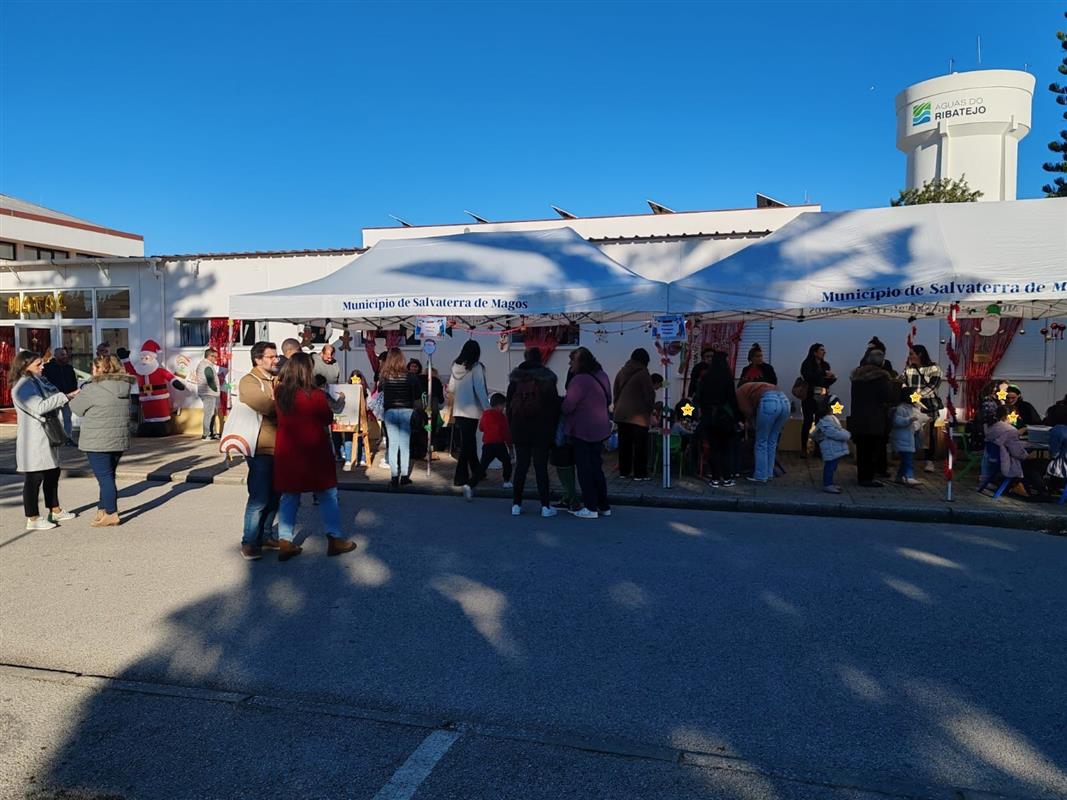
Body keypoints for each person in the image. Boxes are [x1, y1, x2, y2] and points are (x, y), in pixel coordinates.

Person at [272, 352, 357, 561]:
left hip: (288, 449)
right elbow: (327, 417)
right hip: (314, 449)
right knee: (327, 494)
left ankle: (285, 540)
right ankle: (334, 538)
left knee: (289, 495)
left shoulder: (280, 392)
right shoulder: (316, 395)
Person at [10, 350, 79, 531]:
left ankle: (55, 510)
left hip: (46, 435)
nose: (42, 367)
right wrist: (65, 396)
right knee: (34, 478)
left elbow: (51, 394)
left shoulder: (37, 380)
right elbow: (39, 406)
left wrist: (64, 394)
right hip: (34, 439)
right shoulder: (22, 386)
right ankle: (32, 518)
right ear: (25, 366)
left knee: (52, 473)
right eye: (38, 364)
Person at [68, 356, 134, 526]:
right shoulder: (124, 386)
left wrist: (78, 394)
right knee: (108, 476)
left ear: (100, 369)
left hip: (98, 440)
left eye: (94, 367)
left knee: (104, 478)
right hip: (118, 439)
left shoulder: (93, 388)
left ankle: (111, 513)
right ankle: (102, 509)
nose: (92, 370)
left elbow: (76, 408)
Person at [238, 341, 281, 560]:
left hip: (280, 447)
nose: (276, 360)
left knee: (275, 496)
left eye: (276, 356)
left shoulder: (277, 380)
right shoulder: (249, 381)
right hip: (260, 447)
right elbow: (267, 406)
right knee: (259, 497)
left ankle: (265, 535)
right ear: (258, 359)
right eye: (271, 356)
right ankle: (249, 541)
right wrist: (283, 403)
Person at [506, 348, 560, 516]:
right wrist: (552, 430)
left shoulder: (515, 380)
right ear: (540, 359)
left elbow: (509, 407)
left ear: (525, 358)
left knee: (521, 467)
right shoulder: (547, 379)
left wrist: (512, 427)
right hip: (541, 430)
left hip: (519, 428)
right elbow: (554, 407)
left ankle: (516, 505)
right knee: (541, 468)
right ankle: (545, 506)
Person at [562, 347, 612, 519]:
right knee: (597, 467)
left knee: (584, 469)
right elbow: (609, 398)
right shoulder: (602, 375)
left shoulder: (579, 380)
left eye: (572, 361)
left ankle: (590, 507)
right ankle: (603, 505)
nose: (570, 365)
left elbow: (568, 406)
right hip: (600, 428)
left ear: (581, 362)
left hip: (582, 430)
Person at [448, 339, 490, 500]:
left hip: (459, 410)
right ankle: (460, 477)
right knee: (467, 444)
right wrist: (487, 409)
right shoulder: (476, 367)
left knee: (469, 442)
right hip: (472, 410)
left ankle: (478, 471)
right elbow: (480, 389)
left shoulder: (455, 366)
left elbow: (451, 388)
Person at [849, 350, 897, 487]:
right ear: (881, 362)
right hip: (874, 417)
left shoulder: (857, 376)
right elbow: (888, 396)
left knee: (862, 449)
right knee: (872, 449)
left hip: (858, 416)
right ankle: (868, 478)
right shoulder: (881, 377)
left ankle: (862, 476)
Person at [378, 347, 420, 490]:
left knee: (393, 445)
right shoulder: (410, 376)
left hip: (390, 411)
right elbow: (417, 395)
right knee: (405, 445)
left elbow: (380, 391)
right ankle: (404, 476)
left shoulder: (384, 376)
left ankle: (394, 477)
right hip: (406, 411)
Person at [698, 351, 742, 487]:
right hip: (724, 417)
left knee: (713, 448)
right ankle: (727, 477)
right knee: (726, 449)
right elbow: (732, 399)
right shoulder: (727, 377)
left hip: (709, 416)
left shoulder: (706, 377)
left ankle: (715, 478)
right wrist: (738, 418)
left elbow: (700, 398)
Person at [613, 348, 656, 481]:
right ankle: (640, 473)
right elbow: (649, 394)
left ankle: (624, 472)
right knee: (640, 446)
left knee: (624, 444)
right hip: (638, 415)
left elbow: (616, 391)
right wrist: (650, 409)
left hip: (621, 413)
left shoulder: (622, 371)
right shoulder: (643, 373)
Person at [735, 379, 790, 483]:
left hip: (769, 402)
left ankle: (760, 475)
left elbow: (747, 411)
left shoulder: (739, 392)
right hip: (784, 401)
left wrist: (748, 423)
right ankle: (769, 473)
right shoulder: (756, 386)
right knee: (772, 441)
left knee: (761, 442)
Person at [902, 345, 942, 473]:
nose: (910, 356)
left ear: (920, 354)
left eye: (912, 354)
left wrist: (916, 396)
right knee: (910, 432)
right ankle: (909, 461)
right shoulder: (908, 369)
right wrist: (907, 394)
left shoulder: (934, 368)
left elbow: (933, 386)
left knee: (928, 434)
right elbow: (903, 384)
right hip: (913, 406)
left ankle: (929, 461)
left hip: (928, 406)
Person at [799, 343, 836, 456]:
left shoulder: (825, 365)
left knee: (820, 422)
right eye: (821, 350)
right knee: (807, 421)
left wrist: (831, 378)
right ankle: (804, 448)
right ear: (814, 352)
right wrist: (823, 373)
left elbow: (825, 381)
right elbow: (808, 377)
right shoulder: (807, 364)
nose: (824, 352)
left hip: (822, 396)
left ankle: (818, 449)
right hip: (809, 396)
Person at [812, 394, 851, 494]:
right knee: (829, 467)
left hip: (833, 449)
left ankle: (830, 483)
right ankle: (827, 484)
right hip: (830, 448)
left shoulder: (831, 418)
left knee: (832, 467)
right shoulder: (827, 420)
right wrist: (846, 434)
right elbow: (833, 433)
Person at [985, 404, 1029, 490]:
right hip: (1006, 461)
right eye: (1014, 416)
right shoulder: (1010, 430)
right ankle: (1021, 486)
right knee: (1033, 464)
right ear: (1006, 416)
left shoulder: (991, 427)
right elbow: (1017, 453)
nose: (1016, 418)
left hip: (994, 458)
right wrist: (1028, 456)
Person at [890, 386, 926, 487]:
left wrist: (924, 419)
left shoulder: (912, 408)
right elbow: (897, 421)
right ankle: (909, 477)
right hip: (902, 439)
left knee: (905, 460)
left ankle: (899, 477)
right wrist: (909, 420)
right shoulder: (901, 409)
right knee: (908, 460)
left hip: (908, 438)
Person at [42, 347, 78, 442]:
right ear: (56, 356)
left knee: (67, 418)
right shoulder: (48, 368)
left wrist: (72, 394)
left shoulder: (69, 368)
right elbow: (44, 382)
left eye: (65, 354)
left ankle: (68, 439)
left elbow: (73, 382)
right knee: (54, 419)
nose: (65, 356)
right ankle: (55, 438)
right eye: (62, 354)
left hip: (67, 397)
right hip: (54, 397)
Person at [478, 393, 513, 489]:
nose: (504, 408)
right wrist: (510, 447)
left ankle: (471, 483)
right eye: (503, 406)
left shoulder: (485, 414)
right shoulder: (502, 416)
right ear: (499, 405)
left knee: (483, 464)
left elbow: (481, 428)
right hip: (499, 444)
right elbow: (506, 433)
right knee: (506, 462)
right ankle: (506, 481)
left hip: (487, 444)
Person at [196, 347, 221, 440]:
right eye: (215, 357)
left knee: (211, 413)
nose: (216, 359)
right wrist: (216, 390)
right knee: (209, 414)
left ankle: (212, 432)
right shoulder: (207, 366)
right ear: (210, 356)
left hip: (207, 392)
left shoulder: (203, 364)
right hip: (209, 393)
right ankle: (206, 434)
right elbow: (210, 381)